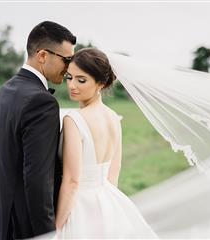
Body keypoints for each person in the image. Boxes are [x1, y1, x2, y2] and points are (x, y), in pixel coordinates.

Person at [0, 21, 76, 239]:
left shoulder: (6, 89)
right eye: (67, 59)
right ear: (43, 55)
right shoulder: (42, 102)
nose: (70, 67)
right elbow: (38, 180)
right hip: (24, 227)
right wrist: (47, 234)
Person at [55, 48, 159, 238]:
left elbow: (72, 181)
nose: (71, 85)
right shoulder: (113, 117)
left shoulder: (74, 119)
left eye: (81, 80)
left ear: (101, 84)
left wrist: (57, 226)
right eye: (69, 77)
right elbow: (114, 169)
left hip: (80, 205)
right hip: (108, 200)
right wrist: (109, 208)